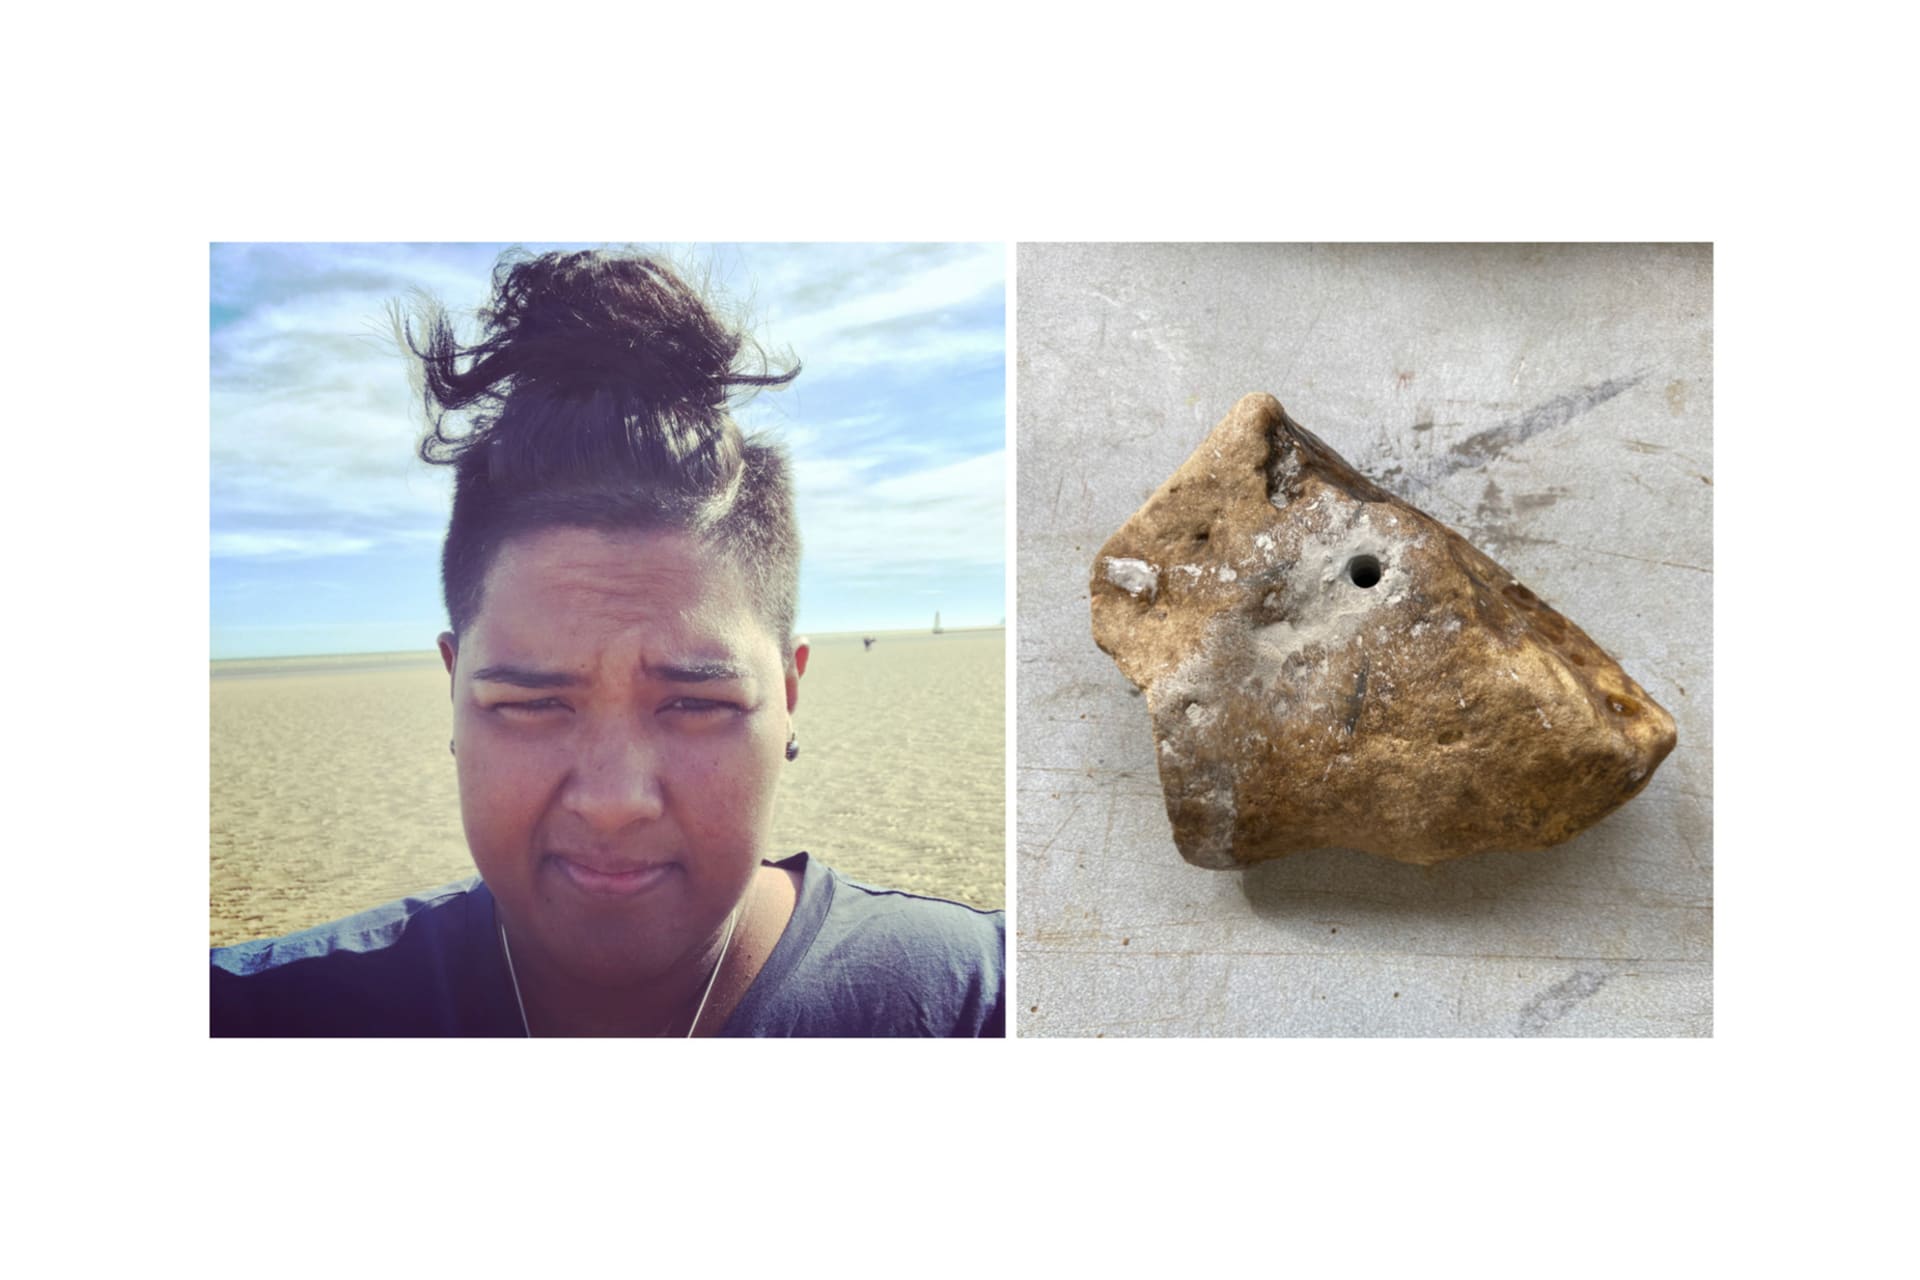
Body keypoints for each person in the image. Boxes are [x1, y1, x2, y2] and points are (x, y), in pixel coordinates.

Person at [210, 249, 1005, 1037]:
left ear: (789, 696)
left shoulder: (987, 1003)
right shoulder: (257, 1016)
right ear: (454, 691)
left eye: (696, 702)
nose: (615, 801)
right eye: (533, 703)